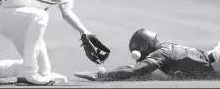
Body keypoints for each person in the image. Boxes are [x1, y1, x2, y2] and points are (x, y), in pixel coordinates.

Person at [74, 29, 220, 81]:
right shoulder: (164, 49)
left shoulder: (161, 53)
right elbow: (142, 71)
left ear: (145, 48)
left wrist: (104, 74)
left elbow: (135, 70)